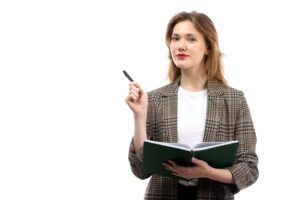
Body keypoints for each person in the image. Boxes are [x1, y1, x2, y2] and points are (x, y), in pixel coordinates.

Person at [126, 11, 258, 200]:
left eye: (191, 39)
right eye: (175, 38)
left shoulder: (233, 99)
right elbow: (140, 169)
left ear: (208, 47)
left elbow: (249, 169)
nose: (180, 46)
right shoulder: (154, 99)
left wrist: (208, 172)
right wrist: (139, 115)